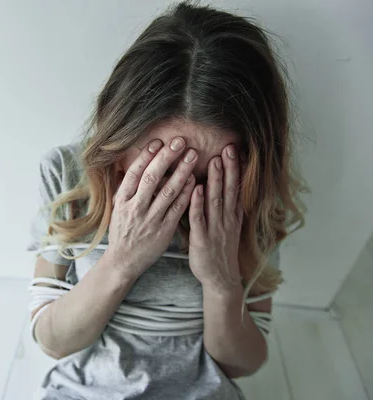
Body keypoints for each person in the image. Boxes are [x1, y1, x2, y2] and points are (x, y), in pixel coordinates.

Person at [27, 2, 306, 399]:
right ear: (116, 130)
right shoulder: (67, 175)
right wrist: (122, 261)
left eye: (207, 175)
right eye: (156, 164)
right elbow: (53, 342)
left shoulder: (250, 196)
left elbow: (240, 366)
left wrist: (222, 279)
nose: (176, 192)